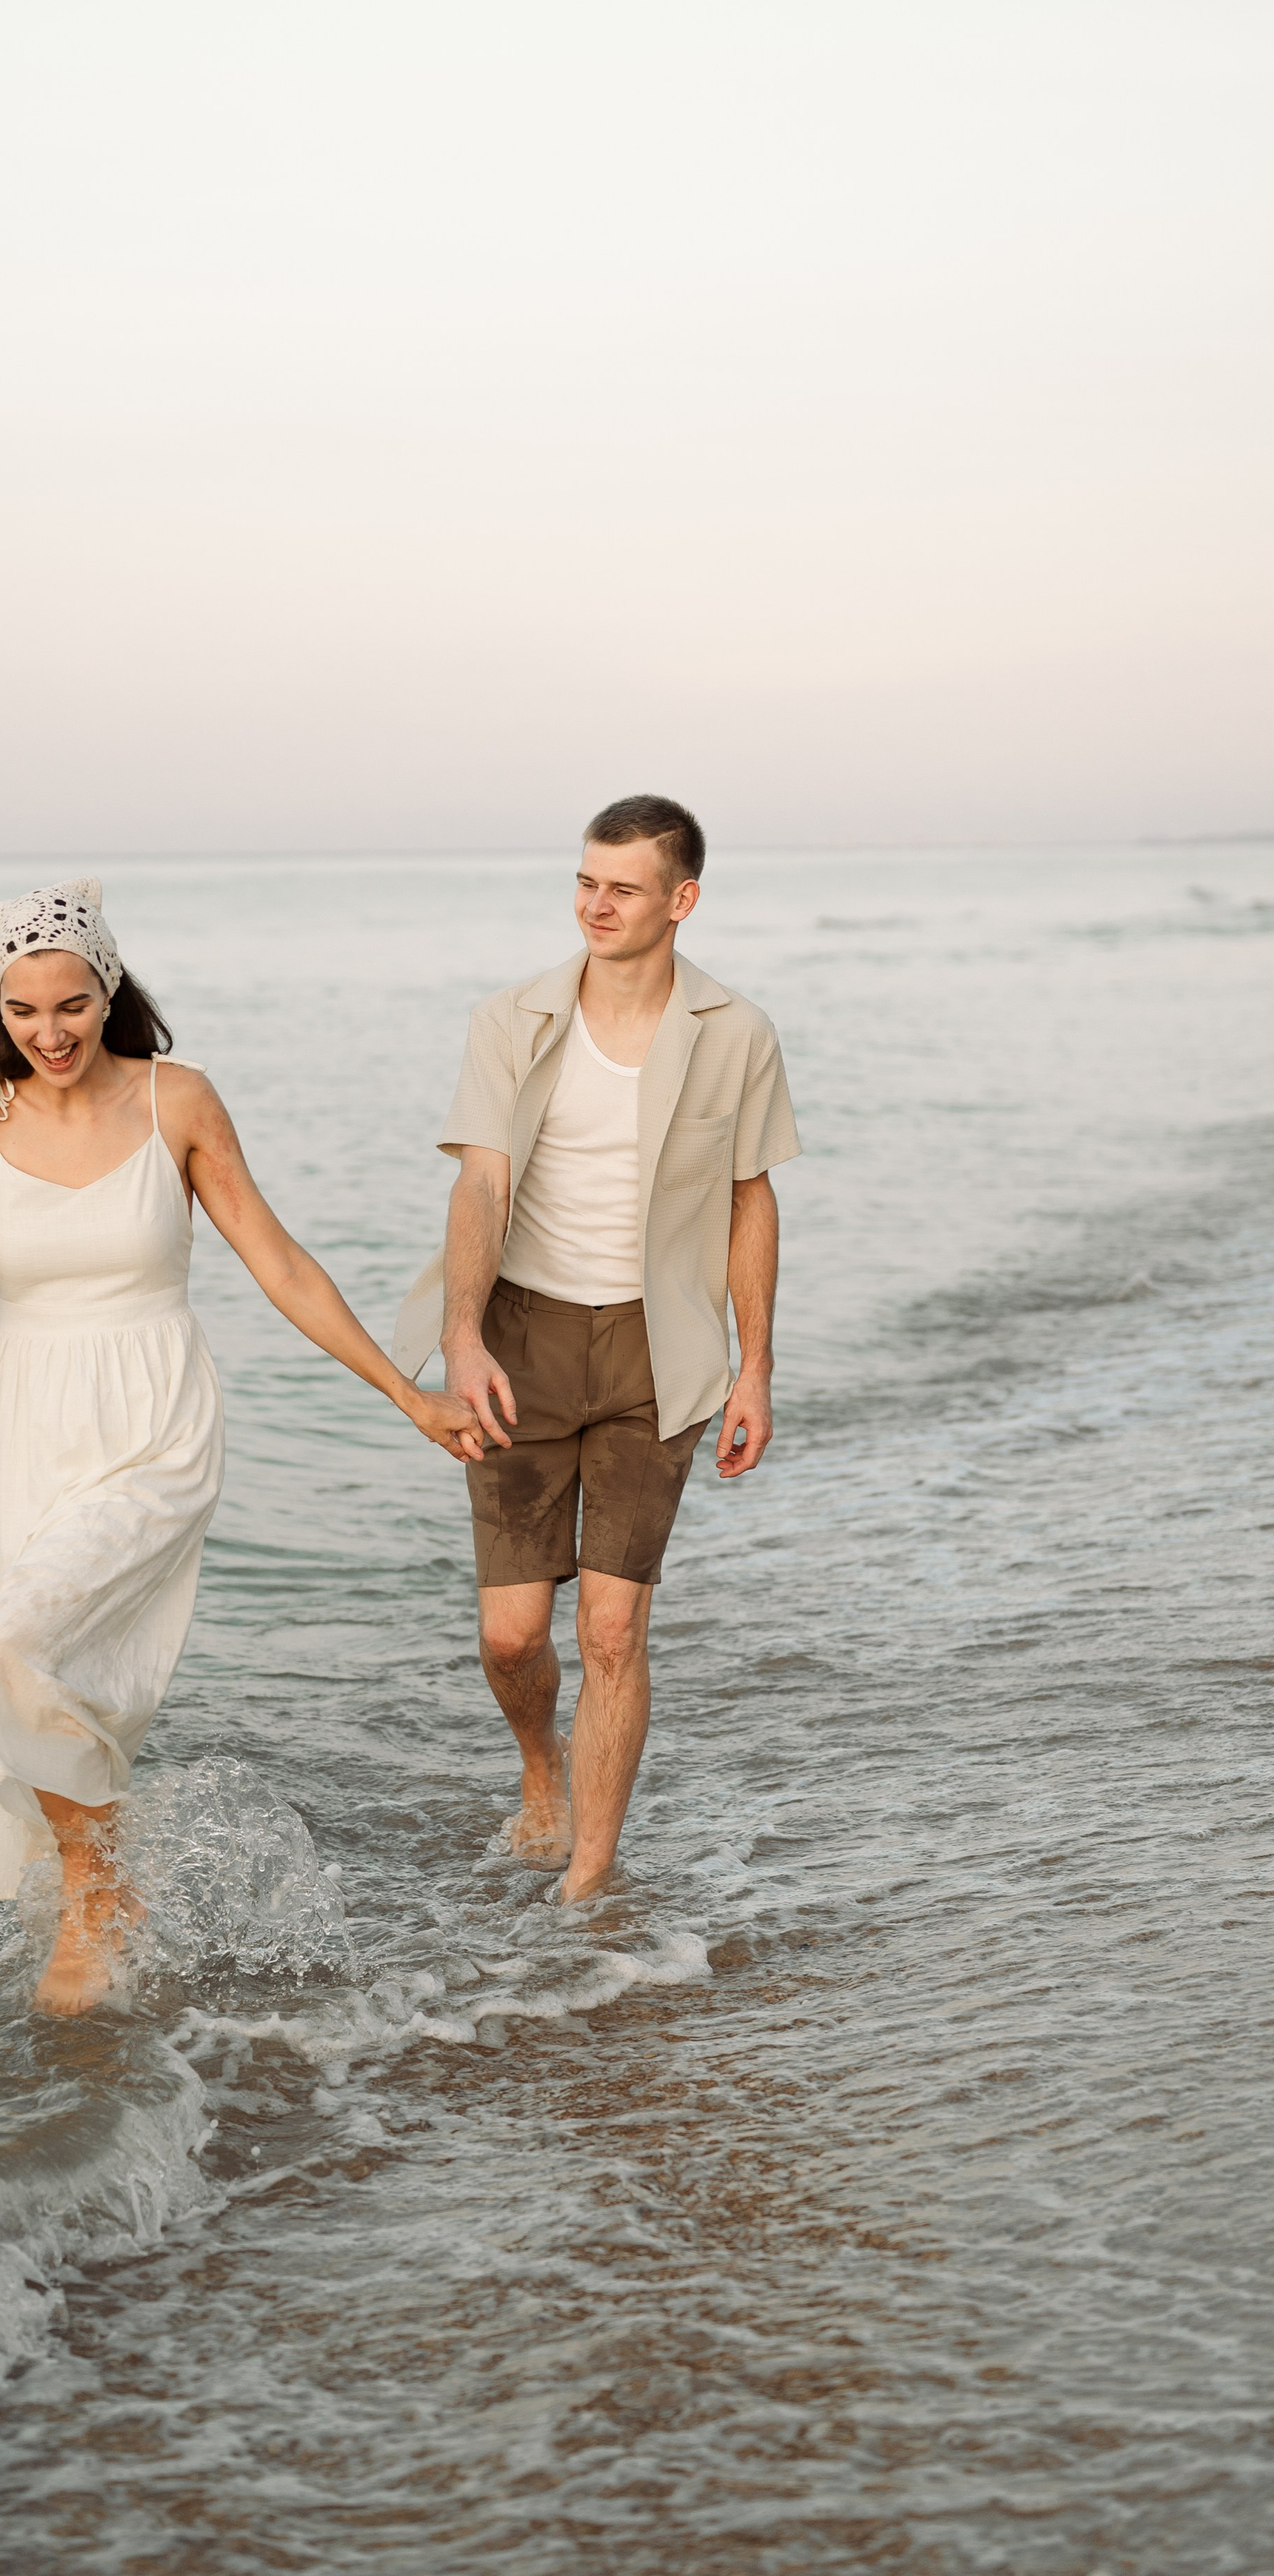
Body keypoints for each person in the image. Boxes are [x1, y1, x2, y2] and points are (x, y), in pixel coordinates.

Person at [0, 880, 478, 2016]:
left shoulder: (175, 1101)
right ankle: (107, 1888)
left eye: (74, 1006)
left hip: (153, 1419)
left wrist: (407, 1394)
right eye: (28, 1012)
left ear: (110, 992)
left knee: (16, 1645)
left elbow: (279, 1264)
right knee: (20, 1665)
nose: (52, 1033)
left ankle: (97, 1892)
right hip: (20, 1428)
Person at [392, 798, 800, 1903]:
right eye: (584, 881)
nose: (596, 905)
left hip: (655, 1352)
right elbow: (479, 1182)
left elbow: (749, 1200)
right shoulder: (512, 1020)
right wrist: (461, 1337)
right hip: (520, 1338)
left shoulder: (737, 1033)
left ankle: (587, 1882)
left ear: (682, 900)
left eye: (622, 887)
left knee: (614, 1626)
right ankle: (540, 1765)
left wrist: (755, 1364)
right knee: (514, 1638)